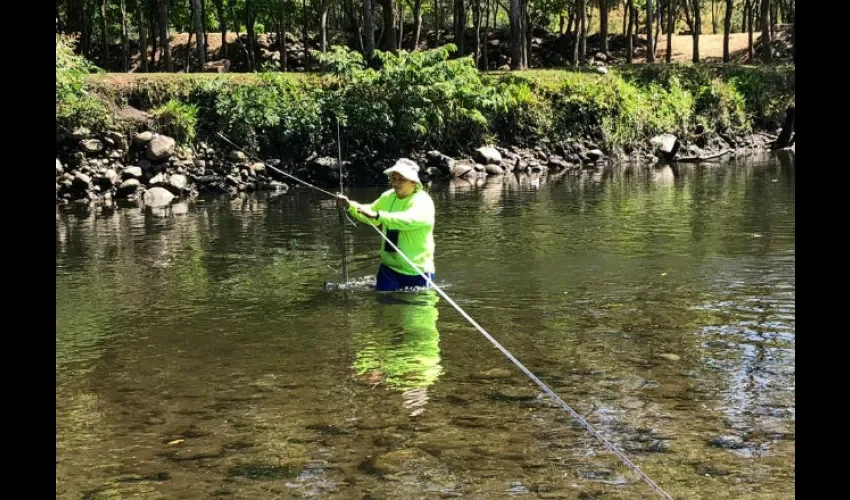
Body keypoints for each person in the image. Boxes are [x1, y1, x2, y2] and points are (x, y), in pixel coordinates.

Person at [336, 158, 436, 292]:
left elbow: (408, 220)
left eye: (401, 179)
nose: (396, 183)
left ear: (413, 182)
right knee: (384, 308)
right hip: (389, 270)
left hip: (417, 272)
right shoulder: (388, 197)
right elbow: (370, 213)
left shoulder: (423, 201)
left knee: (416, 312)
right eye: (393, 179)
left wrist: (379, 215)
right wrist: (349, 205)